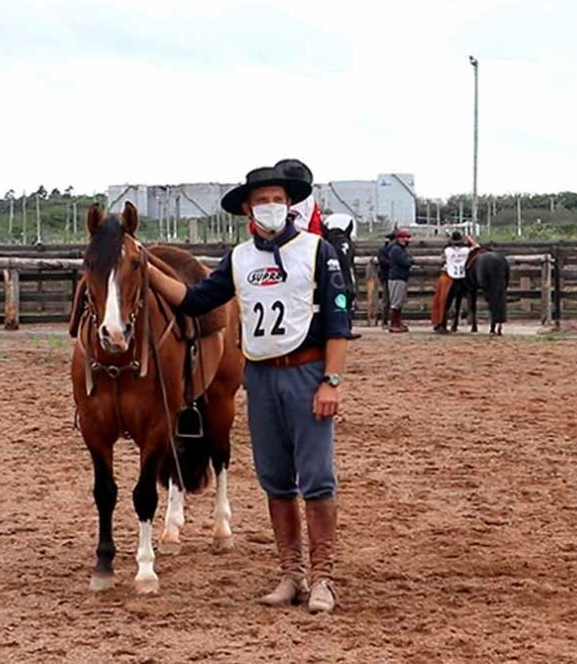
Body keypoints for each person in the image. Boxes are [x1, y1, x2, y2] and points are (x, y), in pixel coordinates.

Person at [147, 162, 353, 613]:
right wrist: (147, 268)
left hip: (306, 369)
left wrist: (331, 381)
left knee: (316, 478)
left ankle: (323, 578)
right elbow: (197, 299)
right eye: (263, 200)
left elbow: (339, 321)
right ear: (248, 209)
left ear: (290, 203)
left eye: (279, 199)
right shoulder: (239, 259)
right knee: (275, 478)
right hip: (259, 375)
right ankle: (290, 572)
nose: (273, 207)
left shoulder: (319, 252)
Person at [434, 232, 477, 334]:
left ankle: (441, 324)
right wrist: (469, 239)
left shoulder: (447, 250)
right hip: (462, 278)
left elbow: (442, 260)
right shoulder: (466, 250)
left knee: (445, 302)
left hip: (449, 277)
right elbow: (476, 247)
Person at [386, 228, 414, 333]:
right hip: (396, 277)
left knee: (400, 301)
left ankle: (398, 322)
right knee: (396, 302)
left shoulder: (402, 249)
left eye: (407, 237)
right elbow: (405, 262)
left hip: (402, 277)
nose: (406, 240)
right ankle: (394, 323)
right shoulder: (396, 249)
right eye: (404, 237)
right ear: (398, 238)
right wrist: (410, 261)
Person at [375, 231, 395, 330]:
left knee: (392, 299)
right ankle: (385, 321)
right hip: (386, 276)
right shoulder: (384, 250)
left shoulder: (388, 249)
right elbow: (383, 262)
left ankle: (391, 320)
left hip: (390, 275)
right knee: (386, 299)